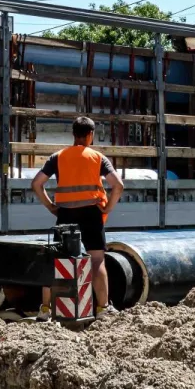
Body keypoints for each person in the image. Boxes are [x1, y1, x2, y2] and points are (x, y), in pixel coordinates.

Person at [32, 116, 124, 317]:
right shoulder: (98, 158)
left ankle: (46, 309)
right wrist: (107, 208)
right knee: (97, 260)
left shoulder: (58, 157)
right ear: (90, 135)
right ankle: (103, 309)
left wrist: (51, 207)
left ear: (73, 134)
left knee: (57, 259)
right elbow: (118, 185)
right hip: (92, 212)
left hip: (65, 212)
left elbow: (36, 183)